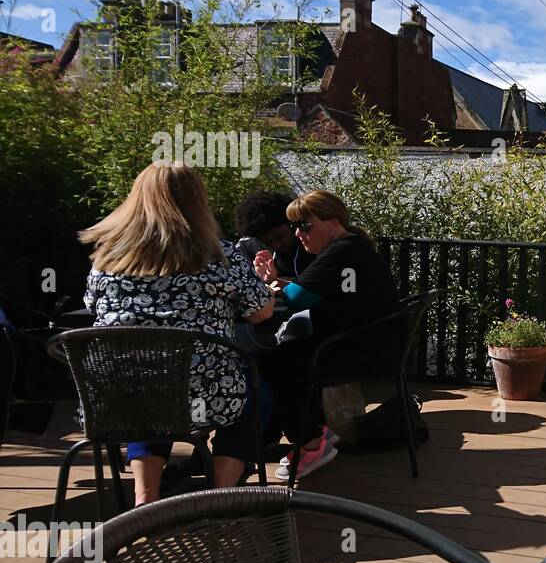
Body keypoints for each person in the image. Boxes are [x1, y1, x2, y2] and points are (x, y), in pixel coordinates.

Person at [79, 163, 275, 505]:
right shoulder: (221, 254)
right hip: (203, 394)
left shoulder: (108, 256)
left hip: (116, 398)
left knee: (148, 388)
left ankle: (146, 496)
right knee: (259, 394)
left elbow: (94, 307)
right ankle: (219, 493)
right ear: (197, 201)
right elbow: (261, 312)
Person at [259, 190, 402, 480]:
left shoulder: (342, 252)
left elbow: (293, 300)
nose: (298, 233)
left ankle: (311, 442)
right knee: (284, 353)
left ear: (333, 223)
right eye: (295, 227)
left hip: (358, 354)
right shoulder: (352, 246)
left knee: (272, 361)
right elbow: (310, 290)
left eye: (305, 225)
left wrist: (266, 288)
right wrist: (276, 282)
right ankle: (280, 437)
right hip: (373, 348)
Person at [233, 190, 315, 349]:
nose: (277, 245)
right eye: (268, 242)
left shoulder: (312, 247)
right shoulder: (253, 250)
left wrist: (275, 281)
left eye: (280, 236)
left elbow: (312, 290)